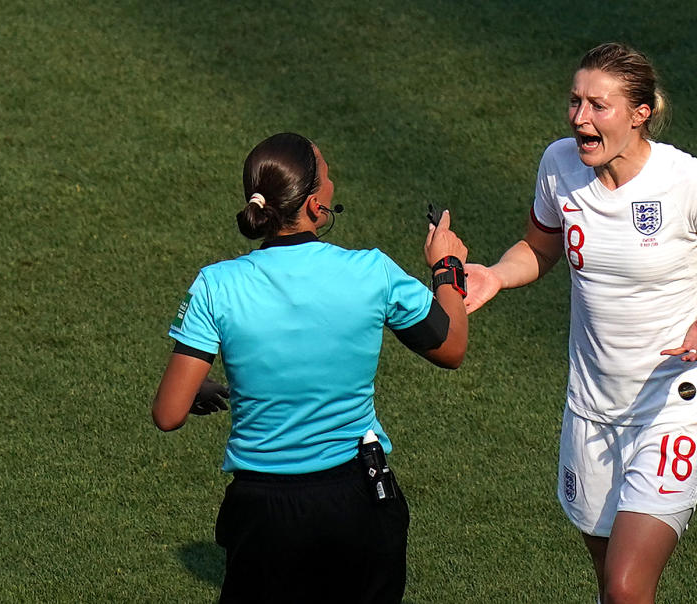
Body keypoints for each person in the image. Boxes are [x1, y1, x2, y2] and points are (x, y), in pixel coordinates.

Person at [464, 43, 697, 603]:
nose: (580, 118)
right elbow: (538, 249)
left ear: (640, 113)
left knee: (627, 585)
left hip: (672, 407)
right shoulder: (559, 164)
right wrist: (496, 274)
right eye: (574, 101)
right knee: (611, 582)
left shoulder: (690, 182)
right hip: (591, 411)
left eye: (598, 106)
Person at [152, 132, 469, 603]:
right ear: (317, 207)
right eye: (328, 174)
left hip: (261, 512)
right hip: (357, 502)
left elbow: (168, 413)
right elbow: (450, 345)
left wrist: (198, 388)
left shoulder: (215, 285)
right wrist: (447, 269)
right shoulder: (372, 272)